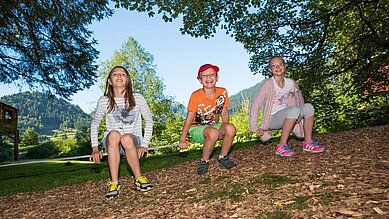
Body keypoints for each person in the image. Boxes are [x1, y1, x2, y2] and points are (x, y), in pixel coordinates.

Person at [89, 66, 153, 198]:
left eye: (123, 74)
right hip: (113, 142)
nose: (119, 76)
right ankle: (114, 183)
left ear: (128, 80)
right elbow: (94, 124)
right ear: (109, 81)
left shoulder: (138, 98)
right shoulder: (104, 101)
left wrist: (144, 144)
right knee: (114, 134)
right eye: (115, 74)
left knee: (127, 138)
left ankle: (139, 178)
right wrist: (95, 148)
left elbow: (149, 121)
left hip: (133, 140)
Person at [248, 56, 326, 157]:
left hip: (290, 115)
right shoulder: (268, 84)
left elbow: (299, 100)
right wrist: (254, 127)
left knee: (308, 107)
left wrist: (301, 119)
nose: (277, 67)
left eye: (280, 64)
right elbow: (256, 104)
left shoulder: (291, 83)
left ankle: (308, 142)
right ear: (270, 69)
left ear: (285, 66)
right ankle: (281, 146)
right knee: (293, 110)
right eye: (274, 66)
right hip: (272, 119)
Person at [179, 64, 237, 175]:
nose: (208, 78)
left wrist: (225, 130)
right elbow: (189, 118)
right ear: (200, 80)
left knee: (230, 128)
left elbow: (224, 111)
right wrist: (182, 139)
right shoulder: (195, 96)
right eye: (204, 75)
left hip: (214, 125)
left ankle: (223, 157)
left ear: (217, 77)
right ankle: (204, 161)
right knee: (213, 132)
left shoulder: (222, 92)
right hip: (197, 128)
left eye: (211, 74)